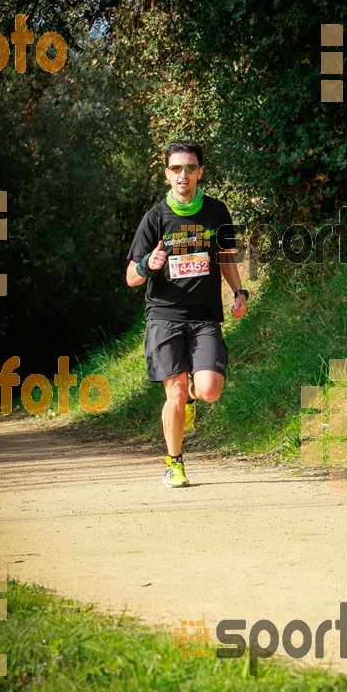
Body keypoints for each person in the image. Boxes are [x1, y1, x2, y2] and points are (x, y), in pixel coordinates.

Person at [126, 141, 248, 488]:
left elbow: (225, 257)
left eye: (190, 168)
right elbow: (131, 277)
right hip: (164, 316)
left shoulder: (216, 211)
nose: (184, 174)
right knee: (175, 391)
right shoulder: (154, 218)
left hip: (205, 316)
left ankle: (192, 400)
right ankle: (174, 462)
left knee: (208, 390)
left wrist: (239, 292)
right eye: (177, 168)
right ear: (167, 173)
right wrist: (148, 264)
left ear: (200, 172)